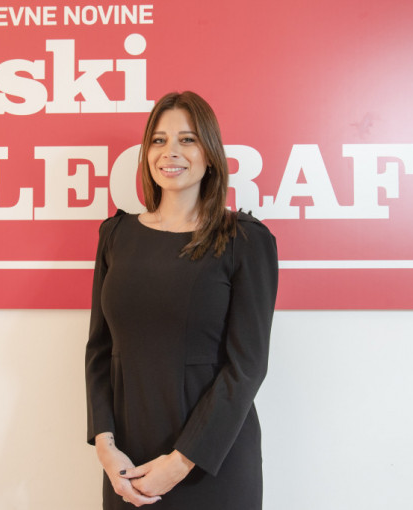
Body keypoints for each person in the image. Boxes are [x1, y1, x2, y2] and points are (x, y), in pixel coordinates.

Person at [85, 91, 278, 510]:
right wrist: (106, 447)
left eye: (187, 139)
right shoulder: (115, 235)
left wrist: (181, 461)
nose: (170, 151)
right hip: (128, 465)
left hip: (212, 461)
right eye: (158, 140)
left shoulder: (245, 240)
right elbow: (100, 351)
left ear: (210, 155)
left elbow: (247, 367)